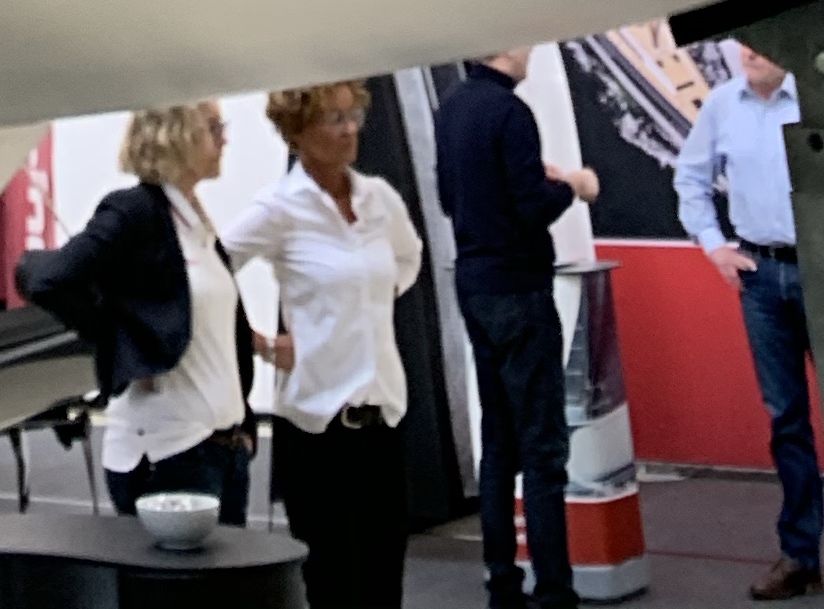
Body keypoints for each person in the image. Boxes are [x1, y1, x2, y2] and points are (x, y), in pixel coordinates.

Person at [225, 83, 425, 609]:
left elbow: (408, 258)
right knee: (333, 587)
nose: (350, 128)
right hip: (317, 429)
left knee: (385, 585)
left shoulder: (378, 198)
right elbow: (210, 273)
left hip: (382, 420)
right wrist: (261, 344)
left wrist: (371, 300)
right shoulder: (279, 209)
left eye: (354, 114)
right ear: (297, 134)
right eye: (334, 119)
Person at [18, 102, 258, 525]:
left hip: (223, 448)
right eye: (214, 127)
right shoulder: (135, 211)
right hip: (171, 453)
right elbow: (47, 279)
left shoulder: (195, 222)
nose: (225, 139)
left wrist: (244, 425)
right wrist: (123, 346)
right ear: (177, 136)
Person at [432, 55, 597, 609]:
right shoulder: (511, 112)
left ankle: (502, 581)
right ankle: (554, 589)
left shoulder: (452, 107)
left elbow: (449, 198)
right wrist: (572, 186)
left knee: (499, 441)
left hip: (475, 283)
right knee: (543, 449)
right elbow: (530, 206)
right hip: (520, 288)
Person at [673, 47, 821, 601]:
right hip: (761, 275)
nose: (750, 51)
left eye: (761, 42)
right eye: (743, 41)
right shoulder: (721, 104)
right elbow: (691, 178)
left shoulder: (817, 101)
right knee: (786, 419)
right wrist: (715, 247)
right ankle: (800, 557)